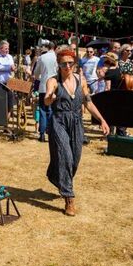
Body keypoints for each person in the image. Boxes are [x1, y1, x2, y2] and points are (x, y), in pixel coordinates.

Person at [44, 49, 109, 216]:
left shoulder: (81, 79)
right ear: (58, 65)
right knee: (65, 155)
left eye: (70, 63)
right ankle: (69, 198)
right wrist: (50, 97)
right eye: (63, 63)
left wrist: (102, 120)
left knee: (75, 159)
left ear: (74, 63)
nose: (67, 66)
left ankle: (55, 175)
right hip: (59, 121)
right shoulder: (53, 81)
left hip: (77, 122)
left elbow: (88, 103)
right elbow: (47, 99)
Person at [33, 42, 58, 142]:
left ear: (47, 48)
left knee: (43, 110)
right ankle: (51, 132)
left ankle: (42, 133)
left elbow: (36, 73)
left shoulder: (42, 58)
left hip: (43, 86)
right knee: (51, 110)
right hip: (54, 86)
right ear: (55, 48)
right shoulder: (57, 57)